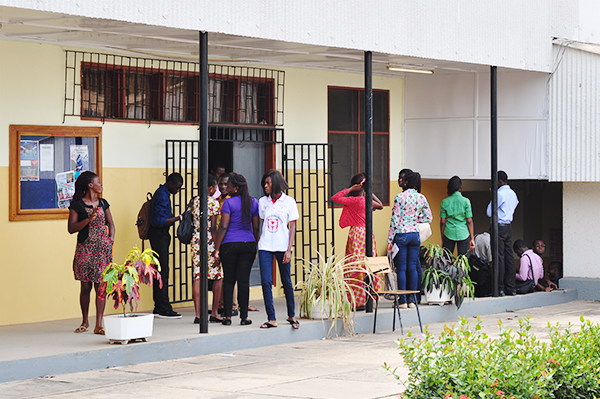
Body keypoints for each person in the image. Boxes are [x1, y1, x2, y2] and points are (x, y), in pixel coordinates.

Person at [68, 171, 115, 335]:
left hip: (102, 250)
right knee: (86, 286)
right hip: (85, 250)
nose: (101, 185)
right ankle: (85, 321)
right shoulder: (78, 205)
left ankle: (99, 324)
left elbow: (111, 224)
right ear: (90, 185)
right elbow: (71, 228)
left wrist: (111, 240)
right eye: (98, 182)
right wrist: (88, 219)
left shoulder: (103, 203)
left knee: (101, 286)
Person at [331, 173, 384, 310]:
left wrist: (349, 190)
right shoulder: (365, 201)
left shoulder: (354, 201)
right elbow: (380, 205)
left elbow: (335, 197)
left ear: (355, 186)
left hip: (356, 234)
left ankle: (357, 299)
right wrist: (370, 192)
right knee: (370, 265)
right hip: (368, 233)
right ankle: (371, 297)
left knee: (355, 266)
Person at [214, 174, 260, 326]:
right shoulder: (254, 203)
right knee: (243, 281)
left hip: (230, 245)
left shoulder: (228, 203)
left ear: (236, 188)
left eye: (229, 186)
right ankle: (244, 317)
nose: (225, 187)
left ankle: (227, 317)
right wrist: (255, 247)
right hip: (248, 244)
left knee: (229, 280)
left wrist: (217, 249)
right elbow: (255, 227)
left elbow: (224, 227)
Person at [257, 170, 300, 329]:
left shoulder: (289, 202)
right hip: (265, 246)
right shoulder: (263, 202)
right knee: (266, 281)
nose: (266, 186)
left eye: (268, 183)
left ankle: (291, 315)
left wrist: (289, 249)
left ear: (276, 183)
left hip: (283, 247)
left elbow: (292, 226)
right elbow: (261, 222)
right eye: (265, 183)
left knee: (286, 281)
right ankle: (271, 318)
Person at [387, 170, 432, 308]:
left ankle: (402, 301)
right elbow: (428, 217)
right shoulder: (421, 197)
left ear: (407, 182)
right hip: (414, 234)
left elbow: (395, 220)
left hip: (401, 234)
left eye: (401, 179)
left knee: (401, 268)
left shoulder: (399, 197)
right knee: (412, 267)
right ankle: (412, 300)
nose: (399, 181)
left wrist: (390, 239)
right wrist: (414, 220)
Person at [149, 172, 184, 318]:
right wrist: (178, 218)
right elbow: (159, 221)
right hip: (159, 235)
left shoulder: (162, 193)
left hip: (159, 235)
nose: (178, 190)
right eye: (177, 187)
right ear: (170, 184)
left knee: (160, 271)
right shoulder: (162, 196)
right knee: (163, 271)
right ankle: (163, 307)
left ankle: (159, 306)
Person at [190, 175, 222, 324]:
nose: (216, 189)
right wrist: (217, 249)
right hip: (209, 240)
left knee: (198, 275)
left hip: (196, 240)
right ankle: (214, 312)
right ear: (210, 188)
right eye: (215, 187)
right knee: (218, 275)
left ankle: (198, 314)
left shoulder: (194, 201)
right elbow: (214, 227)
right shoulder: (214, 203)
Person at [486, 170, 519, 296]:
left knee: (499, 257)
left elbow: (489, 212)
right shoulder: (513, 194)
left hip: (498, 226)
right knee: (509, 256)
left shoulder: (499, 193)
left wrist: (492, 196)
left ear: (499, 181)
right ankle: (511, 287)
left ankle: (499, 287)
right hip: (508, 226)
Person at [440, 176, 475, 256]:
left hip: (448, 233)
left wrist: (443, 238)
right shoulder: (466, 201)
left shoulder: (444, 202)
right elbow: (469, 221)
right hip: (463, 233)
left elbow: (442, 222)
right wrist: (472, 238)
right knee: (462, 260)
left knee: (446, 260)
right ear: (460, 187)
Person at [466, 231, 493, 297]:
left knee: (476, 292)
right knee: (485, 293)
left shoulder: (476, 237)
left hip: (474, 269)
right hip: (484, 271)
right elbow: (491, 261)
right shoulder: (489, 240)